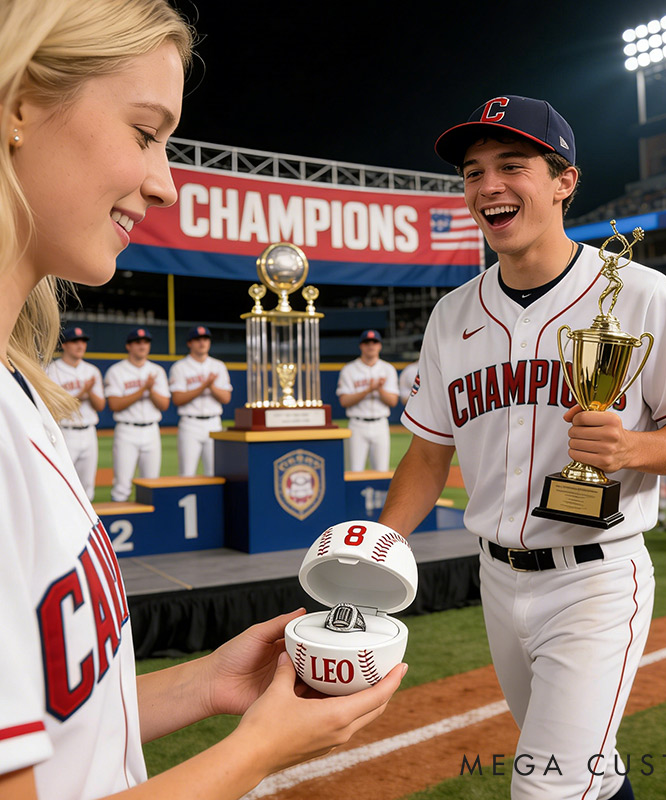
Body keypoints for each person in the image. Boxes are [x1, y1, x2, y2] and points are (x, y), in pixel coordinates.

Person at [0, 3, 404, 799]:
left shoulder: (19, 389)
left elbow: (64, 715)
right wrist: (255, 753)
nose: (164, 183)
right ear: (19, 106)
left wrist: (207, 683)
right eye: (145, 132)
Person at [378, 95, 666, 800]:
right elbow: (428, 454)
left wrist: (629, 449)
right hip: (496, 577)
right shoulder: (451, 313)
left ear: (565, 180)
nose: (489, 185)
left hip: (595, 579)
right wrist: (379, 546)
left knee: (546, 787)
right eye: (473, 172)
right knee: (592, 773)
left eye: (512, 166)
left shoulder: (639, 293)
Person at [104, 327, 170, 501]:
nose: (142, 346)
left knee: (151, 483)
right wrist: (143, 389)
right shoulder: (116, 371)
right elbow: (115, 404)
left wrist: (150, 390)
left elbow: (164, 404)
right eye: (137, 342)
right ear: (129, 346)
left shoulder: (157, 371)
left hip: (151, 430)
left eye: (146, 342)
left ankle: (149, 518)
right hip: (127, 431)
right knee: (122, 486)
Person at [45, 326, 106, 501]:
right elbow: (55, 407)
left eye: (83, 341)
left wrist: (88, 392)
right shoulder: (51, 370)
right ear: (64, 345)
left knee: (87, 486)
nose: (80, 345)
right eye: (75, 341)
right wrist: (83, 391)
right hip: (65, 431)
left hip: (89, 431)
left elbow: (100, 405)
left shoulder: (92, 370)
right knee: (62, 482)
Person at [169, 325, 232, 476]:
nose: (202, 342)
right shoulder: (180, 367)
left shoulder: (218, 366)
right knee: (187, 473)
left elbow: (226, 398)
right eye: (197, 339)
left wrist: (211, 386)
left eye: (205, 339)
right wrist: (204, 386)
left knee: (214, 472)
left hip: (214, 422)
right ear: (189, 343)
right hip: (190, 424)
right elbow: (177, 399)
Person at [336, 329, 399, 471]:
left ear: (380, 345)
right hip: (357, 425)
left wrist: (379, 389)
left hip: (380, 424)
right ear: (361, 346)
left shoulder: (388, 369)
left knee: (381, 471)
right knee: (355, 470)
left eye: (374, 342)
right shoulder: (349, 369)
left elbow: (393, 401)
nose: (371, 346)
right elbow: (344, 401)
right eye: (367, 342)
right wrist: (368, 390)